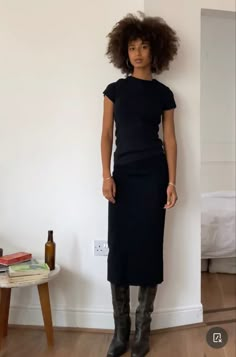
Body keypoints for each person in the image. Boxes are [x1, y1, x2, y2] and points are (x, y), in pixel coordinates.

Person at [100, 12, 179, 357]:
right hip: (123, 177)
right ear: (124, 51)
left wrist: (172, 182)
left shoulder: (163, 93)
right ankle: (121, 332)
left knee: (148, 247)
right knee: (119, 249)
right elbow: (105, 136)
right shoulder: (114, 90)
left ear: (155, 50)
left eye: (144, 46)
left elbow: (172, 140)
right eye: (132, 47)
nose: (137, 52)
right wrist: (106, 175)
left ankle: (143, 330)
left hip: (153, 176)